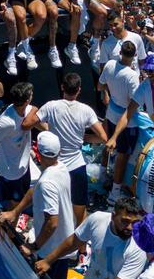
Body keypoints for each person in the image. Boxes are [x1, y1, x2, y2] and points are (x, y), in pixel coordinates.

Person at [22, 72, 107, 223]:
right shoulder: (86, 110)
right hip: (77, 166)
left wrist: (36, 112)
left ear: (62, 87)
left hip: (55, 165)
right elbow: (102, 137)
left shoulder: (51, 106)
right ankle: (81, 246)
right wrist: (85, 138)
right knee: (79, 208)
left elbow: (29, 123)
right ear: (79, 90)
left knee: (51, 206)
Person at [0, 132, 77, 279]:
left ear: (38, 153)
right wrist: (15, 212)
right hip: (63, 242)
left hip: (52, 250)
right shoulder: (60, 167)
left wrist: (33, 247)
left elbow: (52, 223)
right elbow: (34, 190)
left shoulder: (47, 183)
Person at [99, 40, 141, 203]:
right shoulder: (132, 76)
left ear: (120, 53)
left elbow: (100, 86)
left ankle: (102, 176)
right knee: (122, 156)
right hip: (127, 121)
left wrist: (112, 92)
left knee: (108, 144)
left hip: (111, 113)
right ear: (134, 56)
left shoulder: (109, 64)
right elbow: (134, 102)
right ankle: (114, 194)